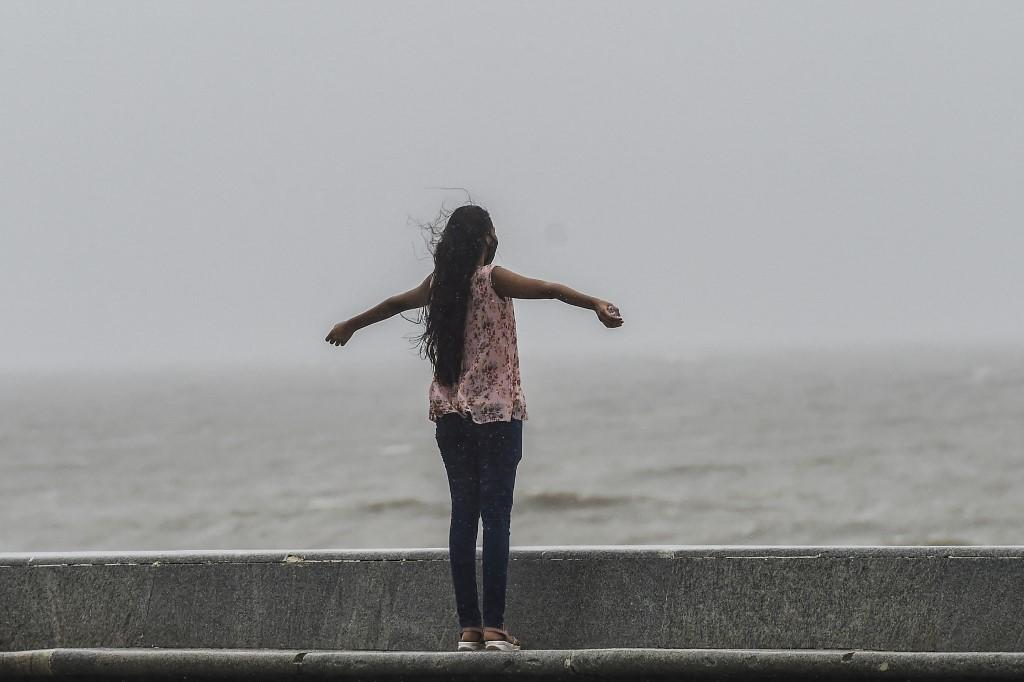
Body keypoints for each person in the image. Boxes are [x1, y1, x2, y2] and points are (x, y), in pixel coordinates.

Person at [325, 203, 624, 651]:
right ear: (485, 238)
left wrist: (351, 325)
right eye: (493, 231)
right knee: (496, 514)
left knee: (463, 515)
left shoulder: (440, 286)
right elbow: (549, 290)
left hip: (449, 412)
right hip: (495, 415)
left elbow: (391, 304)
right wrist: (596, 303)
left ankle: (469, 628)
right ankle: (495, 628)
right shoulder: (493, 278)